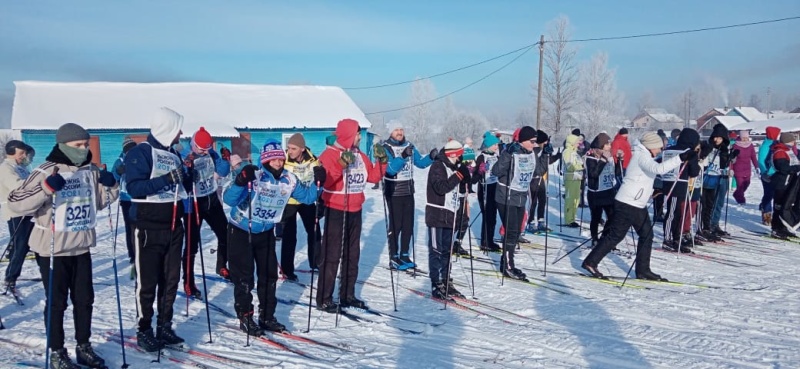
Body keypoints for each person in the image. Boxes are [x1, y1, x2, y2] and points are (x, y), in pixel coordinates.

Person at [9, 123, 119, 368]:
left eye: (85, 144)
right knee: (57, 302)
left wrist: (111, 185)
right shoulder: (46, 170)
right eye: (77, 145)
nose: (83, 149)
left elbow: (100, 202)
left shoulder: (90, 170)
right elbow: (16, 202)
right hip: (53, 248)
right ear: (62, 145)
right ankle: (57, 349)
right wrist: (46, 188)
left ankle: (84, 346)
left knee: (85, 299)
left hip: (81, 246)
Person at [223, 139, 320, 335]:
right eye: (273, 159)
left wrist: (319, 182)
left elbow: (308, 197)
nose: (278, 163)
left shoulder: (289, 179)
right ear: (266, 160)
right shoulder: (255, 175)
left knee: (269, 276)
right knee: (244, 278)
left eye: (280, 159)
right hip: (242, 230)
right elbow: (229, 199)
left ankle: (267, 316)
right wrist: (240, 181)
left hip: (266, 232)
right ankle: (245, 316)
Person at [582, 132, 691, 281]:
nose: (660, 150)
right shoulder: (642, 156)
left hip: (636, 203)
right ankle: (590, 262)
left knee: (646, 235)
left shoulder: (645, 155)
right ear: (650, 146)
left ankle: (643, 270)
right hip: (628, 202)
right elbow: (658, 169)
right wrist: (680, 158)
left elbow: (652, 170)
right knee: (616, 236)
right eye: (658, 147)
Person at [124, 107, 190, 352]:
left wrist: (187, 175)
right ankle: (144, 329)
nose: (181, 133)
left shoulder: (173, 154)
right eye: (178, 128)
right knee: (148, 282)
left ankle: (164, 325)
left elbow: (183, 185)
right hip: (148, 227)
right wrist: (166, 179)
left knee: (171, 279)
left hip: (174, 225)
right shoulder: (141, 152)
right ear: (168, 128)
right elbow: (134, 187)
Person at [316, 119, 385, 312]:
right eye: (357, 134)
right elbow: (327, 181)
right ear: (347, 134)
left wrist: (382, 161)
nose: (360, 137)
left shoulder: (360, 155)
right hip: (336, 209)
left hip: (355, 209)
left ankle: (347, 294)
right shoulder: (329, 154)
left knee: (352, 255)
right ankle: (324, 298)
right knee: (332, 254)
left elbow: (373, 177)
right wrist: (340, 163)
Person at [180, 127, 231, 298]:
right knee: (192, 243)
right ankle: (188, 281)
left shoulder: (211, 153)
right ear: (193, 144)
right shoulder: (185, 154)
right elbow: (181, 178)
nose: (204, 152)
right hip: (193, 202)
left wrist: (225, 159)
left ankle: (222, 266)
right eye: (201, 149)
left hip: (211, 198)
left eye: (207, 149)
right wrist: (187, 170)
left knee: (225, 233)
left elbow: (223, 171)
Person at [380, 124, 434, 269]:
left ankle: (404, 254)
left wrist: (431, 157)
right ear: (391, 132)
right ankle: (394, 256)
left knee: (408, 225)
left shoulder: (409, 145)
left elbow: (420, 163)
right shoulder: (386, 147)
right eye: (396, 130)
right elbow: (390, 170)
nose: (400, 132)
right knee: (396, 224)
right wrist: (403, 156)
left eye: (401, 130)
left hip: (408, 190)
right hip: (394, 190)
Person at [425, 139, 472, 298]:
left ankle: (445, 280)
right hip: (436, 214)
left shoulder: (454, 167)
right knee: (436, 250)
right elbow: (440, 187)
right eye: (459, 156)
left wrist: (465, 178)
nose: (460, 159)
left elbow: (460, 185)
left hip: (450, 214)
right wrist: (459, 175)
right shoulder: (437, 166)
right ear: (453, 154)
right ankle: (436, 283)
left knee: (447, 250)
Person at [493, 126, 537, 281]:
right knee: (511, 231)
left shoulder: (531, 154)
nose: (534, 144)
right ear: (523, 140)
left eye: (535, 141)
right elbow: (496, 171)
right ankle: (507, 265)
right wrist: (507, 154)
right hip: (506, 196)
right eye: (531, 141)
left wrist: (545, 155)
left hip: (520, 197)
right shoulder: (511, 153)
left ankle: (509, 263)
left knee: (516, 232)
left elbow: (537, 172)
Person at [281, 133, 325, 280]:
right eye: (288, 148)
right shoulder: (284, 160)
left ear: (302, 148)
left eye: (293, 148)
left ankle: (316, 263)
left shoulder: (313, 161)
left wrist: (321, 201)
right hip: (289, 202)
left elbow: (319, 181)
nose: (290, 151)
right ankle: (287, 270)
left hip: (306, 200)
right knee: (289, 236)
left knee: (314, 231)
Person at [660, 128, 701, 252]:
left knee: (676, 212)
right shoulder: (689, 152)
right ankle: (668, 239)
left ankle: (676, 238)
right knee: (673, 213)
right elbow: (694, 172)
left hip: (668, 183)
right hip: (679, 185)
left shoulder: (669, 149)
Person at [1, 140, 33, 293]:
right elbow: (18, 186)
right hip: (16, 213)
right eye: (21, 153)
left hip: (28, 211)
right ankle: (10, 277)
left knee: (34, 244)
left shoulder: (20, 168)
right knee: (20, 246)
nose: (24, 156)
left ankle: (48, 273)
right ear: (12, 153)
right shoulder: (5, 168)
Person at [698, 124, 731, 241]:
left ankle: (713, 225)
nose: (717, 140)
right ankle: (705, 227)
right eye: (715, 137)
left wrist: (729, 159)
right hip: (707, 178)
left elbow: (724, 165)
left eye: (720, 138)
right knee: (705, 204)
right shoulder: (708, 146)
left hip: (719, 177)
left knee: (716, 203)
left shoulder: (724, 150)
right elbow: (701, 159)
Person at [584, 133, 618, 247]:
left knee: (613, 217)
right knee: (596, 218)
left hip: (608, 191)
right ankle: (594, 239)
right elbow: (593, 174)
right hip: (596, 193)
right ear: (601, 145)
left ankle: (605, 238)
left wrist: (620, 160)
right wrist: (603, 160)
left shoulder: (609, 156)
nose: (610, 146)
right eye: (608, 144)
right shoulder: (591, 156)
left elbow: (616, 172)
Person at [526, 130, 561, 233]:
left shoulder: (541, 150)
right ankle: (530, 222)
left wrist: (555, 157)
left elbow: (546, 162)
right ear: (540, 142)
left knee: (543, 200)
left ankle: (541, 221)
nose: (546, 144)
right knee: (533, 202)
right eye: (545, 142)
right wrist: (545, 154)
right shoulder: (534, 151)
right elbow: (539, 168)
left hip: (540, 179)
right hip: (533, 179)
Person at [111, 137, 137, 275]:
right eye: (129, 149)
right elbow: (112, 179)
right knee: (130, 228)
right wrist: (117, 172)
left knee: (141, 226)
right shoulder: (119, 161)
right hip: (126, 198)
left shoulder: (140, 158)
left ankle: (141, 252)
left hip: (140, 198)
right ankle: (132, 255)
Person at [474, 131, 502, 252]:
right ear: (489, 145)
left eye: (497, 145)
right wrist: (480, 171)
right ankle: (485, 241)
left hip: (495, 187)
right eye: (495, 145)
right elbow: (474, 177)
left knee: (493, 216)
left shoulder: (496, 156)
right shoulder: (482, 157)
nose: (497, 147)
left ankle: (489, 239)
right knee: (487, 216)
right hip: (485, 189)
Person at [769, 132, 800, 239]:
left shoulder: (788, 150)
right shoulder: (780, 151)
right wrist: (797, 168)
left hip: (789, 182)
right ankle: (776, 228)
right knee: (779, 206)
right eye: (792, 140)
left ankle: (784, 227)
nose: (794, 143)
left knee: (786, 206)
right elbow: (783, 168)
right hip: (781, 182)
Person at [758, 126, 781, 225]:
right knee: (769, 194)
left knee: (776, 195)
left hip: (776, 174)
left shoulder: (776, 144)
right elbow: (761, 161)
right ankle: (766, 214)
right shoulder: (765, 145)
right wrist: (765, 172)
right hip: (767, 175)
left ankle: (770, 210)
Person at [730, 130, 759, 205]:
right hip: (738, 169)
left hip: (747, 169)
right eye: (743, 138)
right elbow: (731, 159)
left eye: (746, 138)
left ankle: (736, 194)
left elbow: (753, 156)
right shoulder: (736, 145)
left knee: (747, 183)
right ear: (740, 137)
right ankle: (741, 200)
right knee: (740, 186)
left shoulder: (750, 145)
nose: (745, 139)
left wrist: (756, 166)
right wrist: (731, 169)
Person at [562, 133, 583, 227]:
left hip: (577, 178)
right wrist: (580, 166)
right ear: (572, 142)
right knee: (570, 199)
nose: (578, 144)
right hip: (570, 179)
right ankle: (568, 219)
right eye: (577, 142)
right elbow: (569, 165)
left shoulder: (575, 152)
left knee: (576, 200)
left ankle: (573, 218)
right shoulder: (567, 152)